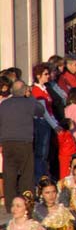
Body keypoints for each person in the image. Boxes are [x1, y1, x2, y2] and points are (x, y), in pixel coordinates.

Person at [0, 80, 44, 212]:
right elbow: (40, 111)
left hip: (7, 142)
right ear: (25, 90)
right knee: (26, 174)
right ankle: (26, 203)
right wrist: (30, 96)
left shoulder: (4, 104)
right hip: (24, 142)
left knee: (9, 174)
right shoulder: (29, 102)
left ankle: (10, 205)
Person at [32, 63, 61, 179]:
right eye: (45, 74)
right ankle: (39, 177)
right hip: (42, 123)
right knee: (41, 151)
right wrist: (55, 126)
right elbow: (43, 111)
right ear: (38, 76)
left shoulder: (45, 89)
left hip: (47, 123)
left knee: (46, 152)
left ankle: (44, 174)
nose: (48, 76)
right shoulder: (37, 91)